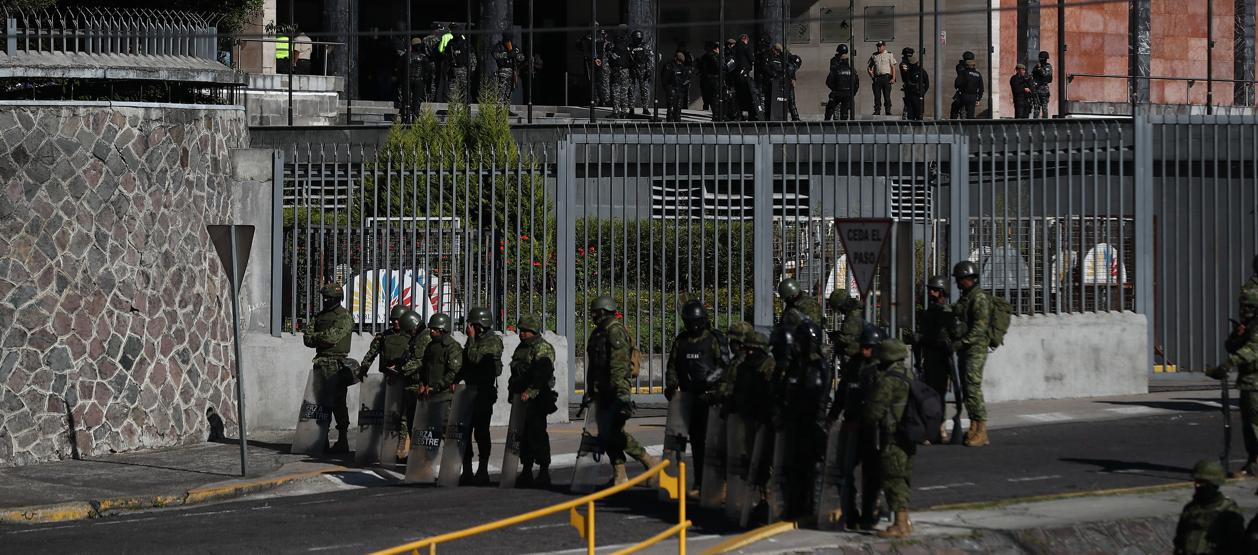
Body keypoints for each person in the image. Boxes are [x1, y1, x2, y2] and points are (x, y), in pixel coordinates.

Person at [586, 296, 660, 484]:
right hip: (601, 391)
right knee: (605, 433)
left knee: (614, 432)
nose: (593, 316)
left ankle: (649, 461)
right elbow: (593, 366)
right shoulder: (597, 334)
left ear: (602, 312)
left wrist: (620, 394)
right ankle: (619, 473)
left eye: (595, 312)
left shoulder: (615, 331)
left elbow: (619, 366)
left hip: (615, 390)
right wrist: (590, 390)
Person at [665, 300, 731, 496]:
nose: (694, 325)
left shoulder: (714, 339)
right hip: (689, 399)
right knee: (697, 444)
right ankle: (700, 483)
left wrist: (711, 388)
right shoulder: (681, 341)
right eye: (690, 321)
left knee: (716, 444)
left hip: (711, 399)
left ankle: (722, 484)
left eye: (697, 321)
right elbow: (673, 366)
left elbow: (724, 367)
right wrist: (671, 386)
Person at [776, 321, 833, 519]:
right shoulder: (795, 365)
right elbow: (786, 391)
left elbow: (821, 396)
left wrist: (821, 422)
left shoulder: (821, 366)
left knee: (814, 468)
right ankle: (794, 507)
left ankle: (812, 508)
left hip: (812, 424)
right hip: (795, 422)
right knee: (793, 467)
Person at [864, 338, 916, 538]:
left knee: (893, 479)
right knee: (903, 477)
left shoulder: (889, 380)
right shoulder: (908, 373)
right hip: (909, 434)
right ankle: (904, 521)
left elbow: (875, 410)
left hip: (893, 436)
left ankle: (900, 525)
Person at [1207, 286, 1258, 476]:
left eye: (1249, 306)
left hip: (1256, 382)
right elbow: (1230, 345)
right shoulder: (1248, 325)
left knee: (1255, 426)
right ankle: (1253, 462)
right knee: (1249, 425)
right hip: (1249, 382)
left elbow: (1252, 350)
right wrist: (1238, 334)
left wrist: (1228, 364)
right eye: (1243, 306)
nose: (1244, 310)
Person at [301, 283, 354, 453]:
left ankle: (343, 439)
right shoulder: (319, 316)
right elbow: (307, 339)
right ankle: (321, 439)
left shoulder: (344, 316)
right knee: (319, 403)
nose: (325, 300)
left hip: (336, 365)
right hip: (320, 363)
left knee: (338, 403)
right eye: (324, 297)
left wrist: (317, 337)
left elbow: (333, 337)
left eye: (328, 298)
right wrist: (320, 337)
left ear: (337, 299)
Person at [508, 314, 558, 488]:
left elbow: (542, 373)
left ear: (534, 331)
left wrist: (530, 391)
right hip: (521, 399)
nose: (522, 334)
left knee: (538, 435)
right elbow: (515, 372)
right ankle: (527, 470)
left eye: (526, 331)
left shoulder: (543, 348)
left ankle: (544, 471)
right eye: (521, 330)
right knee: (523, 436)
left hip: (537, 399)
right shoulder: (521, 348)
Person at [950, 261, 992, 446]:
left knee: (973, 387)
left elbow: (979, 329)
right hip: (965, 349)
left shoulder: (979, 298)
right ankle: (974, 426)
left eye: (959, 280)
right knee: (968, 389)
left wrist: (961, 343)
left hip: (975, 349)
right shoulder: (966, 297)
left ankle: (982, 430)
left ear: (968, 279)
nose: (957, 283)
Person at [461, 307, 503, 485]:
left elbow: (475, 358)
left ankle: (483, 469)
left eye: (473, 324)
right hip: (470, 392)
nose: (470, 327)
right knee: (464, 432)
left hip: (483, 393)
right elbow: (466, 363)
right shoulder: (475, 340)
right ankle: (467, 469)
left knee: (481, 432)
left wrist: (470, 339)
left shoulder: (492, 342)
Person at [908, 277, 956, 423]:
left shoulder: (944, 312)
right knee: (929, 393)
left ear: (942, 292)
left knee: (937, 393)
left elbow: (941, 339)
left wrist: (921, 339)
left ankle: (938, 425)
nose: (931, 293)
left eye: (935, 290)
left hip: (939, 359)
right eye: (930, 290)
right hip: (929, 358)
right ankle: (933, 424)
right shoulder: (930, 311)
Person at [1172, 459, 1245, 554]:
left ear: (1214, 484)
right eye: (1196, 481)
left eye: (1202, 482)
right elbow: (1179, 540)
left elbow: (1236, 547)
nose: (1197, 485)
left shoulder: (1228, 512)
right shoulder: (1191, 508)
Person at [403, 313, 462, 408]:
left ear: (443, 330)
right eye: (431, 328)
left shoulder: (452, 347)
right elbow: (424, 366)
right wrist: (423, 383)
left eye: (435, 329)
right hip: (429, 394)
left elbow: (453, 372)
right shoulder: (431, 346)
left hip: (444, 395)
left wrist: (436, 386)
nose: (431, 331)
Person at [358, 305, 412, 382]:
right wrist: (364, 368)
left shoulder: (412, 336)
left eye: (398, 319)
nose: (396, 322)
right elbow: (372, 354)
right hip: (388, 375)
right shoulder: (384, 336)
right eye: (393, 319)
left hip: (407, 375)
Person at [579, 26, 612, 107]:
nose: (602, 36)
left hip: (605, 68)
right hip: (596, 66)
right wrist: (595, 59)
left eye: (604, 34)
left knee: (604, 84)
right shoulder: (595, 43)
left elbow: (610, 55)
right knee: (595, 84)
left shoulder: (608, 44)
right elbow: (589, 51)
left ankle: (605, 100)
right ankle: (596, 100)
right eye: (601, 34)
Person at [824, 44, 859, 121]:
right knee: (844, 111)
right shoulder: (852, 70)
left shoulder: (835, 68)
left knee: (830, 109)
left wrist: (835, 89)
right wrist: (852, 93)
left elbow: (829, 81)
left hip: (838, 92)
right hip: (847, 93)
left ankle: (827, 124)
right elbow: (856, 84)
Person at [733, 34, 763, 121]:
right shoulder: (745, 47)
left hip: (737, 73)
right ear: (745, 39)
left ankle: (739, 114)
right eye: (747, 40)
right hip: (744, 72)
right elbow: (752, 58)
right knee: (749, 94)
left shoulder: (736, 47)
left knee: (739, 95)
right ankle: (751, 115)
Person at [444, 25, 476, 103]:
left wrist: (472, 70)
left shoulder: (466, 43)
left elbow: (473, 57)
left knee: (464, 92)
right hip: (453, 70)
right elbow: (447, 57)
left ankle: (465, 111)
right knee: (452, 93)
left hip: (463, 70)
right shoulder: (450, 43)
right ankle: (453, 112)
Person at [402, 38, 430, 119]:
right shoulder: (423, 57)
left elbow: (400, 68)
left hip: (408, 80)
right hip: (419, 81)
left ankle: (405, 118)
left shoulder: (406, 56)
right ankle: (415, 119)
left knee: (406, 100)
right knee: (416, 101)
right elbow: (428, 71)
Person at [628, 30, 655, 115]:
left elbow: (650, 59)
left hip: (643, 70)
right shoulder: (629, 46)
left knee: (644, 90)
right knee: (631, 90)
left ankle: (645, 108)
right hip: (632, 69)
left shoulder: (645, 46)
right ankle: (631, 108)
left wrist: (649, 70)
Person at [608, 30, 634, 118]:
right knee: (624, 92)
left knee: (615, 91)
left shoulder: (616, 48)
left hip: (617, 71)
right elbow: (631, 61)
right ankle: (624, 112)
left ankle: (616, 112)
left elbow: (612, 60)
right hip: (626, 71)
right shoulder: (627, 48)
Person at [867, 41, 896, 116]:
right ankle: (877, 110)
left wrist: (893, 78)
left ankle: (888, 110)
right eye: (878, 46)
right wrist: (872, 75)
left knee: (887, 96)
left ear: (884, 46)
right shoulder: (874, 55)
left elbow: (893, 67)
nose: (878, 48)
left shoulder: (889, 54)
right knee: (877, 96)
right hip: (877, 78)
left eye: (880, 46)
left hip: (886, 78)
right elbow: (870, 67)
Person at [899, 47, 929, 121]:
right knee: (910, 113)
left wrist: (922, 92)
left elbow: (926, 83)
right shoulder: (904, 66)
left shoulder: (919, 70)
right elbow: (905, 77)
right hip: (910, 92)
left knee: (916, 113)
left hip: (916, 94)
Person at [662, 51, 693, 122]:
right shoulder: (669, 66)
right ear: (676, 59)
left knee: (678, 109)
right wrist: (668, 89)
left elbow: (685, 78)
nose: (680, 63)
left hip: (679, 90)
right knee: (671, 108)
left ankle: (677, 123)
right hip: (671, 89)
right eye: (679, 61)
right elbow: (664, 79)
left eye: (681, 62)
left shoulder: (681, 67)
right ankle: (670, 123)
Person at [492, 36, 525, 102]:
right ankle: (500, 110)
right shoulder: (499, 46)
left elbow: (522, 57)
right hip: (503, 71)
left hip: (512, 71)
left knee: (509, 92)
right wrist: (506, 54)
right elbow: (495, 55)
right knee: (501, 91)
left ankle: (506, 109)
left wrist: (515, 55)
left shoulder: (514, 47)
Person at [698, 41, 722, 116]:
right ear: (717, 48)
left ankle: (710, 109)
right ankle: (716, 114)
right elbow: (718, 67)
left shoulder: (705, 56)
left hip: (706, 78)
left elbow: (700, 67)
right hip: (714, 79)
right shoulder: (716, 56)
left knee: (709, 96)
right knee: (715, 96)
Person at [1031, 51, 1053, 118]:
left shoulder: (1048, 66)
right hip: (1036, 89)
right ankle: (1035, 123)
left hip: (1044, 89)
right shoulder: (1036, 66)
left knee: (1044, 107)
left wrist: (1040, 69)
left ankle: (1045, 123)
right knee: (1036, 107)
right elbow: (1032, 75)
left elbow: (1045, 75)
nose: (1041, 60)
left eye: (1042, 58)